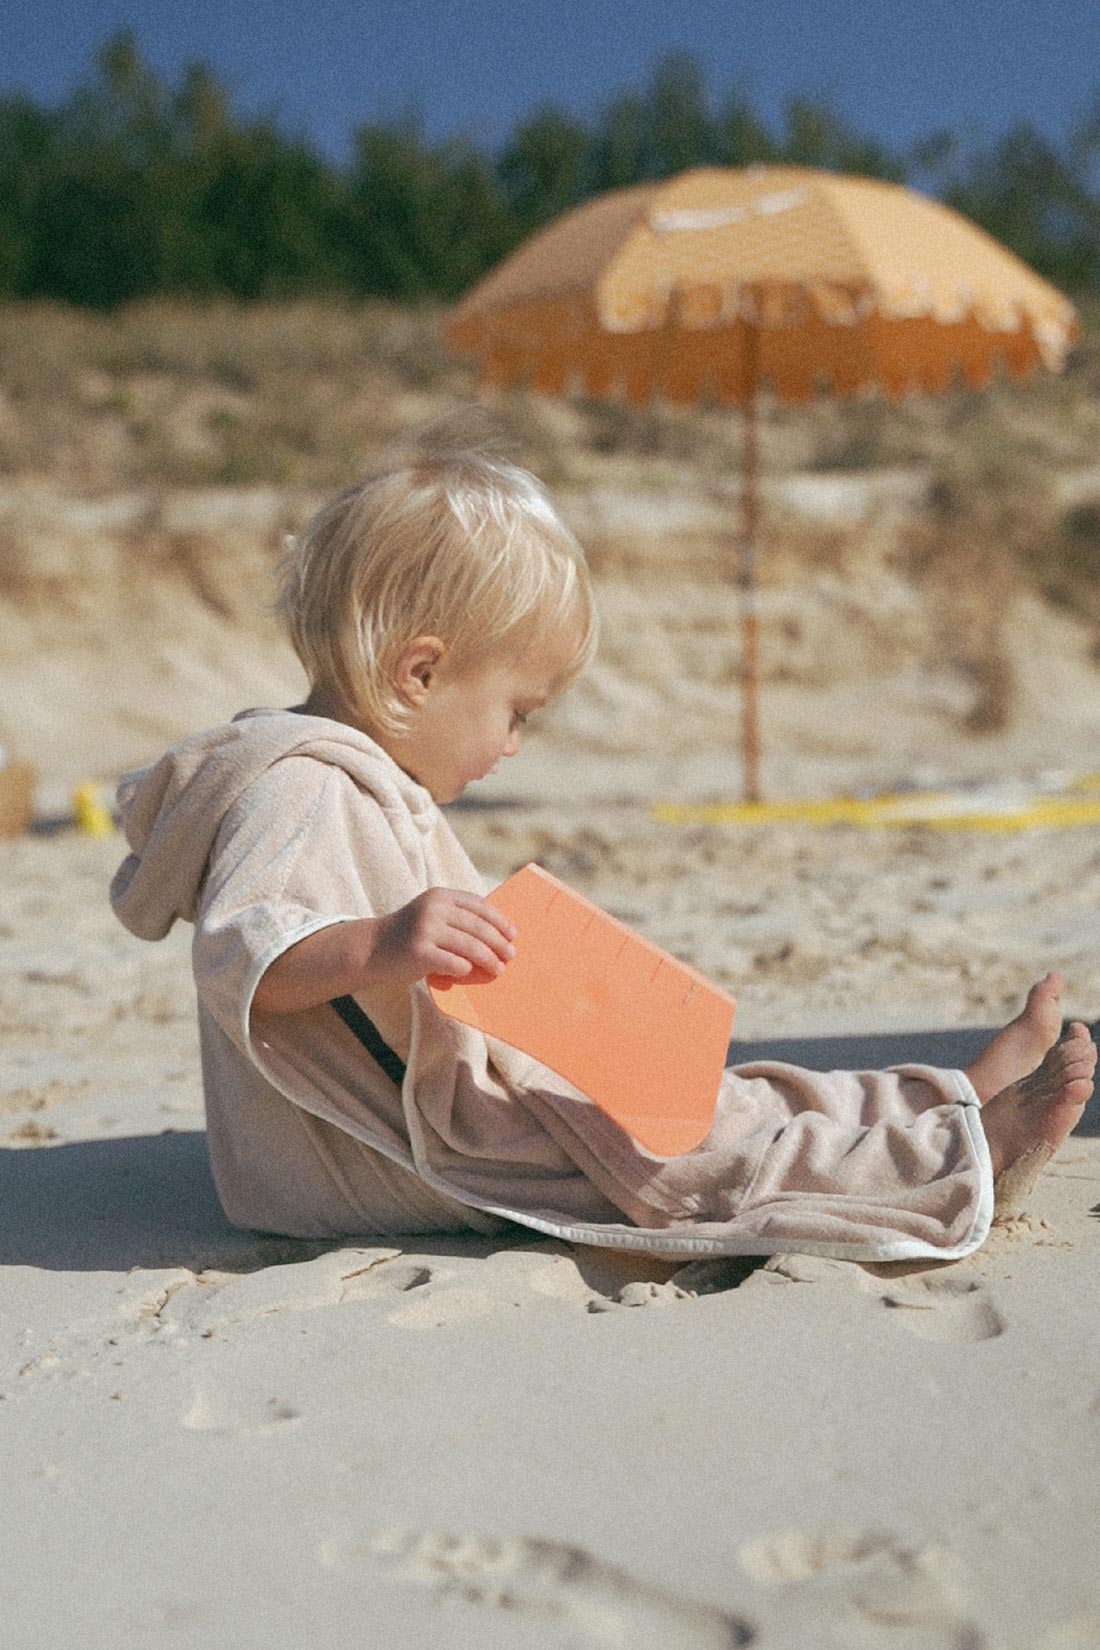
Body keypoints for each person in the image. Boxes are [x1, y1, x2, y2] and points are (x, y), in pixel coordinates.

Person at [110, 438, 1095, 1263]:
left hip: (413, 1116)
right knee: (659, 1152)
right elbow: (244, 955)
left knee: (718, 1090)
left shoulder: (352, 777)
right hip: (379, 1158)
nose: (513, 745)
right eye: (514, 712)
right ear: (418, 673)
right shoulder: (299, 788)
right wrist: (378, 945)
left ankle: (948, 1094)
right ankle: (956, 1160)